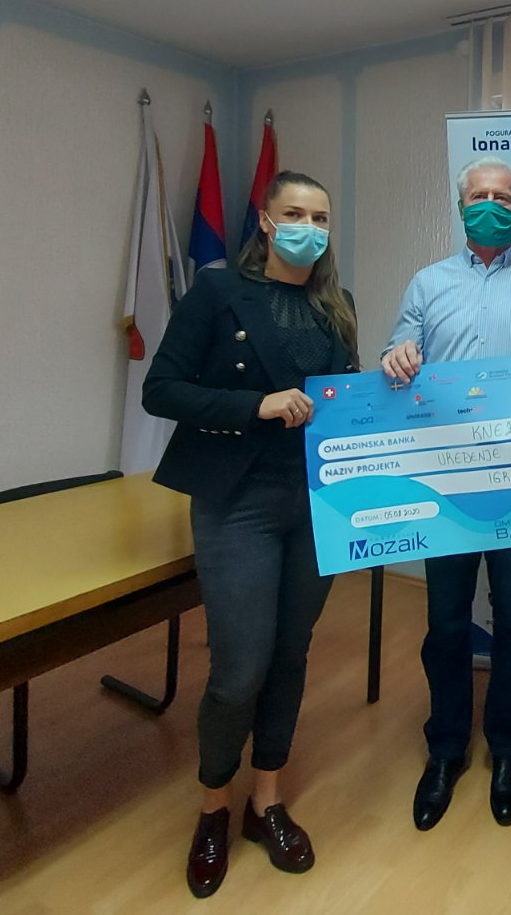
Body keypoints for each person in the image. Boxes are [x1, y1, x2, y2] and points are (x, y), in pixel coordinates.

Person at [142, 170, 358, 900]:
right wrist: (254, 405)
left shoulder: (338, 304)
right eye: (294, 213)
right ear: (265, 221)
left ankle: (266, 801)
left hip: (317, 503)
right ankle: (213, 807)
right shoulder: (216, 292)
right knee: (239, 667)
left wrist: (392, 383)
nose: (309, 227)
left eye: (320, 218)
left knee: (291, 653)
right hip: (238, 502)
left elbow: (344, 397)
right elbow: (160, 390)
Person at [382, 156, 511, 831]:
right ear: (461, 205)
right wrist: (395, 358)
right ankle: (445, 749)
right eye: (478, 195)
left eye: (502, 196)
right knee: (446, 623)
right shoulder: (428, 283)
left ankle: (508, 746)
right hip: (447, 483)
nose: (490, 204)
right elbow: (398, 355)